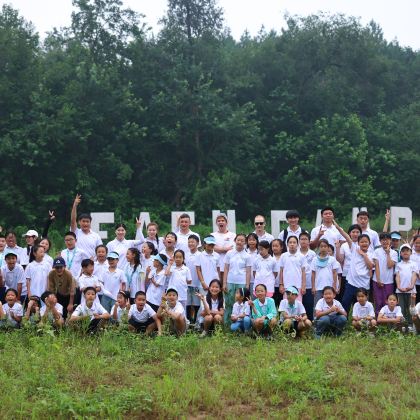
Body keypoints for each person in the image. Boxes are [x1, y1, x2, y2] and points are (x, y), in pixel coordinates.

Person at [338, 221, 374, 313]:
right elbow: (345, 235)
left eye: (366, 242)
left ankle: (361, 324)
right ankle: (343, 323)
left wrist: (364, 255)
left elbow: (370, 266)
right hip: (351, 283)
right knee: (345, 303)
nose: (364, 243)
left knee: (362, 306)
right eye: (362, 242)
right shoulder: (354, 249)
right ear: (358, 243)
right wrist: (336, 225)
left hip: (363, 285)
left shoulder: (371, 254)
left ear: (369, 243)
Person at [223, 234, 252, 323]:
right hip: (230, 281)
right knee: (229, 302)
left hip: (242, 282)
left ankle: (241, 323)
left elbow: (248, 271)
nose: (239, 242)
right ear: (235, 241)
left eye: (242, 240)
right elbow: (226, 268)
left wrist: (247, 285)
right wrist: (224, 283)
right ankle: (228, 323)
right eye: (238, 240)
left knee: (241, 303)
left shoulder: (247, 256)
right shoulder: (229, 253)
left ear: (245, 242)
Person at [372, 233, 398, 316]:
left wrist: (388, 253)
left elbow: (390, 265)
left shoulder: (394, 253)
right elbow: (376, 266)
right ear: (380, 241)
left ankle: (387, 321)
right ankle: (378, 320)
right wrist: (379, 280)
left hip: (389, 282)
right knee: (378, 301)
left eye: (387, 239)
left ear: (390, 240)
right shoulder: (376, 251)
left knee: (387, 302)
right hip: (377, 281)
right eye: (383, 239)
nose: (385, 241)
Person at [336, 224, 362, 301]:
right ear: (349, 233)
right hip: (346, 274)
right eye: (353, 232)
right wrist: (337, 248)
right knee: (345, 298)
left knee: (357, 299)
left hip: (358, 275)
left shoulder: (362, 244)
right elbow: (340, 260)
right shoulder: (344, 245)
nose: (355, 234)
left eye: (357, 232)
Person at [311, 239, 339, 307]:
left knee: (330, 305)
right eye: (321, 246)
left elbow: (335, 273)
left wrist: (334, 286)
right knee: (317, 305)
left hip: (329, 287)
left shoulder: (332, 259)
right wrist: (313, 287)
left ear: (328, 247)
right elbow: (313, 274)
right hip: (318, 287)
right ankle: (316, 317)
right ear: (318, 248)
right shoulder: (314, 259)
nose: (323, 248)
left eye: (325, 246)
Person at [395, 244, 417, 326]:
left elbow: (414, 275)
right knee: (401, 309)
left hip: (411, 290)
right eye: (403, 251)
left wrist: (411, 286)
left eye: (407, 250)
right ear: (400, 253)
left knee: (411, 309)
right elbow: (397, 276)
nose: (405, 252)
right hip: (400, 291)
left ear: (411, 252)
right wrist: (399, 287)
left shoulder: (414, 264)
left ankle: (412, 325)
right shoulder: (398, 264)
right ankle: (403, 326)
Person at [278, 236, 305, 300]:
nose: (292, 244)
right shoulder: (283, 256)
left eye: (294, 242)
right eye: (290, 242)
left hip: (298, 286)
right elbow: (281, 271)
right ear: (287, 244)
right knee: (286, 306)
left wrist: (303, 286)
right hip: (286, 286)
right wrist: (281, 284)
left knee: (297, 305)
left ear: (297, 245)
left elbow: (303, 272)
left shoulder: (301, 256)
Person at [212, 213, 236, 279]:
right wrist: (225, 249)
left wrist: (218, 249)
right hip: (215, 266)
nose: (220, 222)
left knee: (226, 287)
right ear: (216, 223)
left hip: (229, 266)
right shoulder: (212, 235)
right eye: (219, 221)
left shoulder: (233, 235)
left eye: (222, 220)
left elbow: (232, 248)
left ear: (226, 222)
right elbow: (212, 248)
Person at [299, 232, 317, 321]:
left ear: (309, 241)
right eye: (302, 239)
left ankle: (309, 322)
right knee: (299, 304)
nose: (303, 241)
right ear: (299, 241)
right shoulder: (296, 253)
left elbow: (315, 270)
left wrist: (314, 285)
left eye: (306, 239)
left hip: (310, 283)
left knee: (309, 304)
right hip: (298, 283)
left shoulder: (313, 254)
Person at [185, 235, 201, 324]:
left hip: (197, 283)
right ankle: (188, 321)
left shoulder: (200, 255)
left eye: (192, 242)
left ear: (197, 243)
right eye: (189, 242)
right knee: (187, 303)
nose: (190, 244)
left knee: (196, 304)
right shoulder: (185, 255)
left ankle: (195, 322)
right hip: (187, 284)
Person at [271, 239, 284, 308]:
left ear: (281, 247)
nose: (274, 248)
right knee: (272, 305)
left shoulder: (285, 257)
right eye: (273, 246)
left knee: (281, 306)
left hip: (282, 286)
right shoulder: (269, 257)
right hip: (271, 286)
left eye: (276, 246)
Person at [410, 235, 420, 303]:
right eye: (416, 243)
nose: (418, 245)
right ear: (413, 243)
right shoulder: (410, 254)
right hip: (411, 284)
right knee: (413, 304)